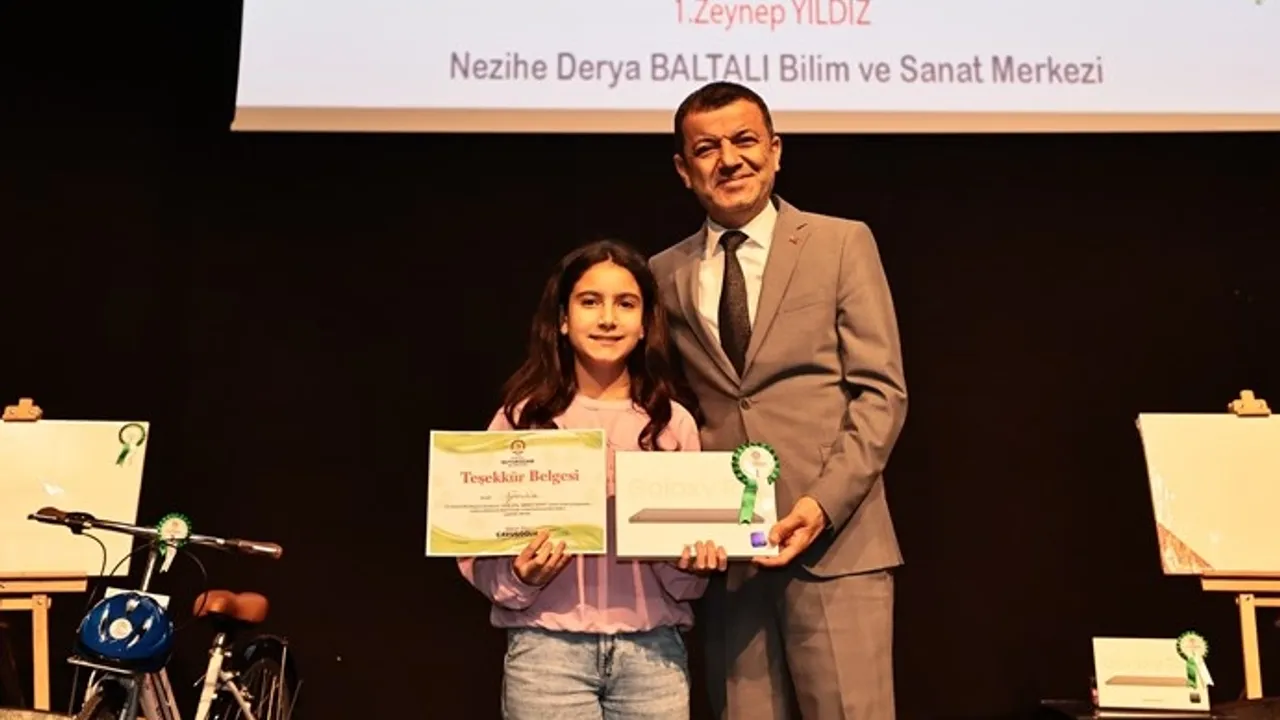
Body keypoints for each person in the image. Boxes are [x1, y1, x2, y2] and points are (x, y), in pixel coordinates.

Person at [649, 82, 909, 719]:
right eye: (706, 148)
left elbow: (881, 394)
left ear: (775, 150)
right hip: (730, 564)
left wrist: (821, 506)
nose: (728, 159)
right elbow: (668, 409)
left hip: (837, 548)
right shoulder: (663, 273)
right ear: (684, 169)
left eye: (744, 140)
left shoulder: (841, 242)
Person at [458, 239, 729, 720]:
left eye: (625, 304)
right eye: (590, 302)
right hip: (546, 656)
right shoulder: (521, 420)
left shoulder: (673, 423)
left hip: (653, 655)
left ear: (645, 324)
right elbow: (477, 552)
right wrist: (519, 577)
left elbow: (684, 581)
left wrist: (691, 565)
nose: (607, 319)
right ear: (563, 319)